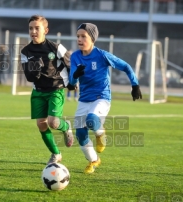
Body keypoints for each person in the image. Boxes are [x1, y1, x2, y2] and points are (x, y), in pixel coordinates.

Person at [69, 23, 142, 174]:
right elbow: (71, 82)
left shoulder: (102, 55)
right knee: (80, 134)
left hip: (101, 97)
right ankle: (93, 160)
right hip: (84, 99)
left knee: (91, 119)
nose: (79, 39)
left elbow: (126, 66)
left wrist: (135, 85)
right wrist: (75, 75)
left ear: (93, 38)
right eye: (78, 36)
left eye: (83, 36)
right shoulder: (75, 56)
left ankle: (100, 133)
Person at [20, 15, 75, 165]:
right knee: (41, 124)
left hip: (55, 89)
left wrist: (72, 82)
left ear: (46, 30)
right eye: (31, 28)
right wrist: (36, 71)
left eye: (37, 28)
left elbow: (71, 64)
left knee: (54, 123)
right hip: (38, 91)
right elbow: (28, 77)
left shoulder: (55, 47)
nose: (33, 31)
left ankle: (66, 127)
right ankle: (56, 154)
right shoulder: (25, 52)